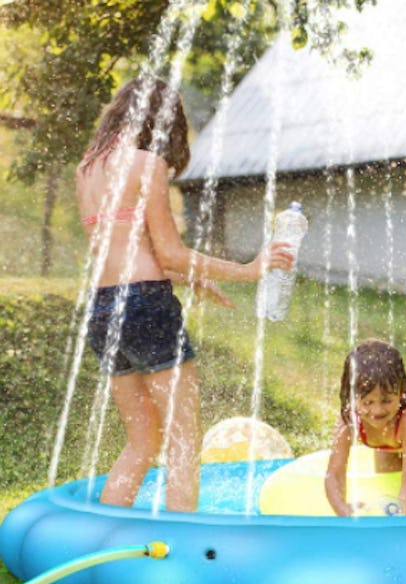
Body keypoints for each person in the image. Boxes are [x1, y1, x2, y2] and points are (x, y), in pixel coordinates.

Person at [77, 77, 295, 512]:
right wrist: (248, 270)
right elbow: (170, 252)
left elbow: (126, 250)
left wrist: (190, 278)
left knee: (141, 441)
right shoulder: (146, 164)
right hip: (146, 307)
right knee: (182, 439)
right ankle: (181, 548)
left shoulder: (86, 169)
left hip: (102, 310)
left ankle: (103, 539)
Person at [325, 339, 406, 516]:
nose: (377, 411)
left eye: (386, 400)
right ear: (352, 398)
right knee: (388, 487)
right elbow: (334, 475)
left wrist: (399, 518)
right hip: (390, 442)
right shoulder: (348, 420)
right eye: (367, 402)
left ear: (401, 393)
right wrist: (343, 510)